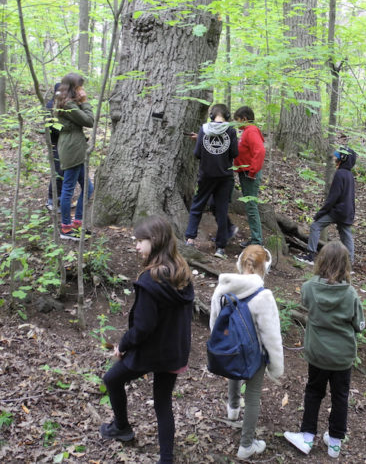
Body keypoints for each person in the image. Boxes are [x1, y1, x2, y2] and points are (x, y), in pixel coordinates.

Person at [100, 216, 194, 464]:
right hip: (173, 352)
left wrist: (123, 346)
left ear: (155, 240)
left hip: (151, 352)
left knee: (111, 379)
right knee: (162, 402)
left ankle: (121, 427)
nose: (136, 246)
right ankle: (166, 459)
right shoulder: (181, 273)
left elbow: (143, 327)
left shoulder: (150, 280)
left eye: (140, 241)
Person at [285, 241, 365, 459]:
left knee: (313, 391)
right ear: (345, 265)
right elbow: (359, 325)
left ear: (321, 261)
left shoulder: (309, 287)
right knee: (340, 396)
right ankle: (335, 443)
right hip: (342, 356)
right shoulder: (350, 294)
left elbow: (305, 304)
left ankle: (307, 436)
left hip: (318, 353)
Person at [209, 245, 284, 459]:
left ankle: (232, 409)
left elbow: (215, 322)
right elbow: (271, 336)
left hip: (230, 350)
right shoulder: (264, 296)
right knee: (253, 396)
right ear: (265, 268)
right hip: (255, 355)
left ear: (240, 264)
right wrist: (276, 366)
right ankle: (246, 445)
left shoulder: (223, 288)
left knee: (235, 372)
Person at [185, 104, 238, 258]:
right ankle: (220, 248)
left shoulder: (204, 129)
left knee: (197, 206)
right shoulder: (231, 130)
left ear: (212, 115)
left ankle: (189, 239)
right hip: (225, 177)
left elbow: (197, 154)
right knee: (221, 211)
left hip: (206, 175)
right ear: (227, 116)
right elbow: (234, 152)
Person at [297, 147, 357, 266]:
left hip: (338, 211)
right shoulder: (349, 175)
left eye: (338, 156)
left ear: (344, 159)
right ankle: (349, 264)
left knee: (315, 225)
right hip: (346, 211)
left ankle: (310, 255)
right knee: (346, 234)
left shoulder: (340, 174)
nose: (335, 158)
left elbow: (333, 197)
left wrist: (321, 212)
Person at [54, 73, 94, 240]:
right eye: (79, 87)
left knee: (88, 188)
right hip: (72, 149)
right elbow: (89, 120)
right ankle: (66, 228)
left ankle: (77, 223)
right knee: (68, 189)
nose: (82, 90)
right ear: (72, 88)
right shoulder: (69, 105)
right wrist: (85, 102)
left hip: (74, 147)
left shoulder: (67, 102)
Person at [233, 106, 266, 246]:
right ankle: (255, 238)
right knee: (249, 205)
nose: (237, 123)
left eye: (238, 120)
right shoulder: (246, 131)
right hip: (245, 173)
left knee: (251, 206)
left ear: (244, 119)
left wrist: (252, 171)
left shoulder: (251, 130)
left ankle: (257, 241)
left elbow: (260, 151)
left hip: (249, 174)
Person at [45, 83, 63, 211]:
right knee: (58, 171)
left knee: (64, 172)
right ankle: (51, 200)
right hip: (55, 143)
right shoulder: (51, 106)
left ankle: (61, 199)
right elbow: (51, 127)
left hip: (64, 143)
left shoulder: (63, 106)